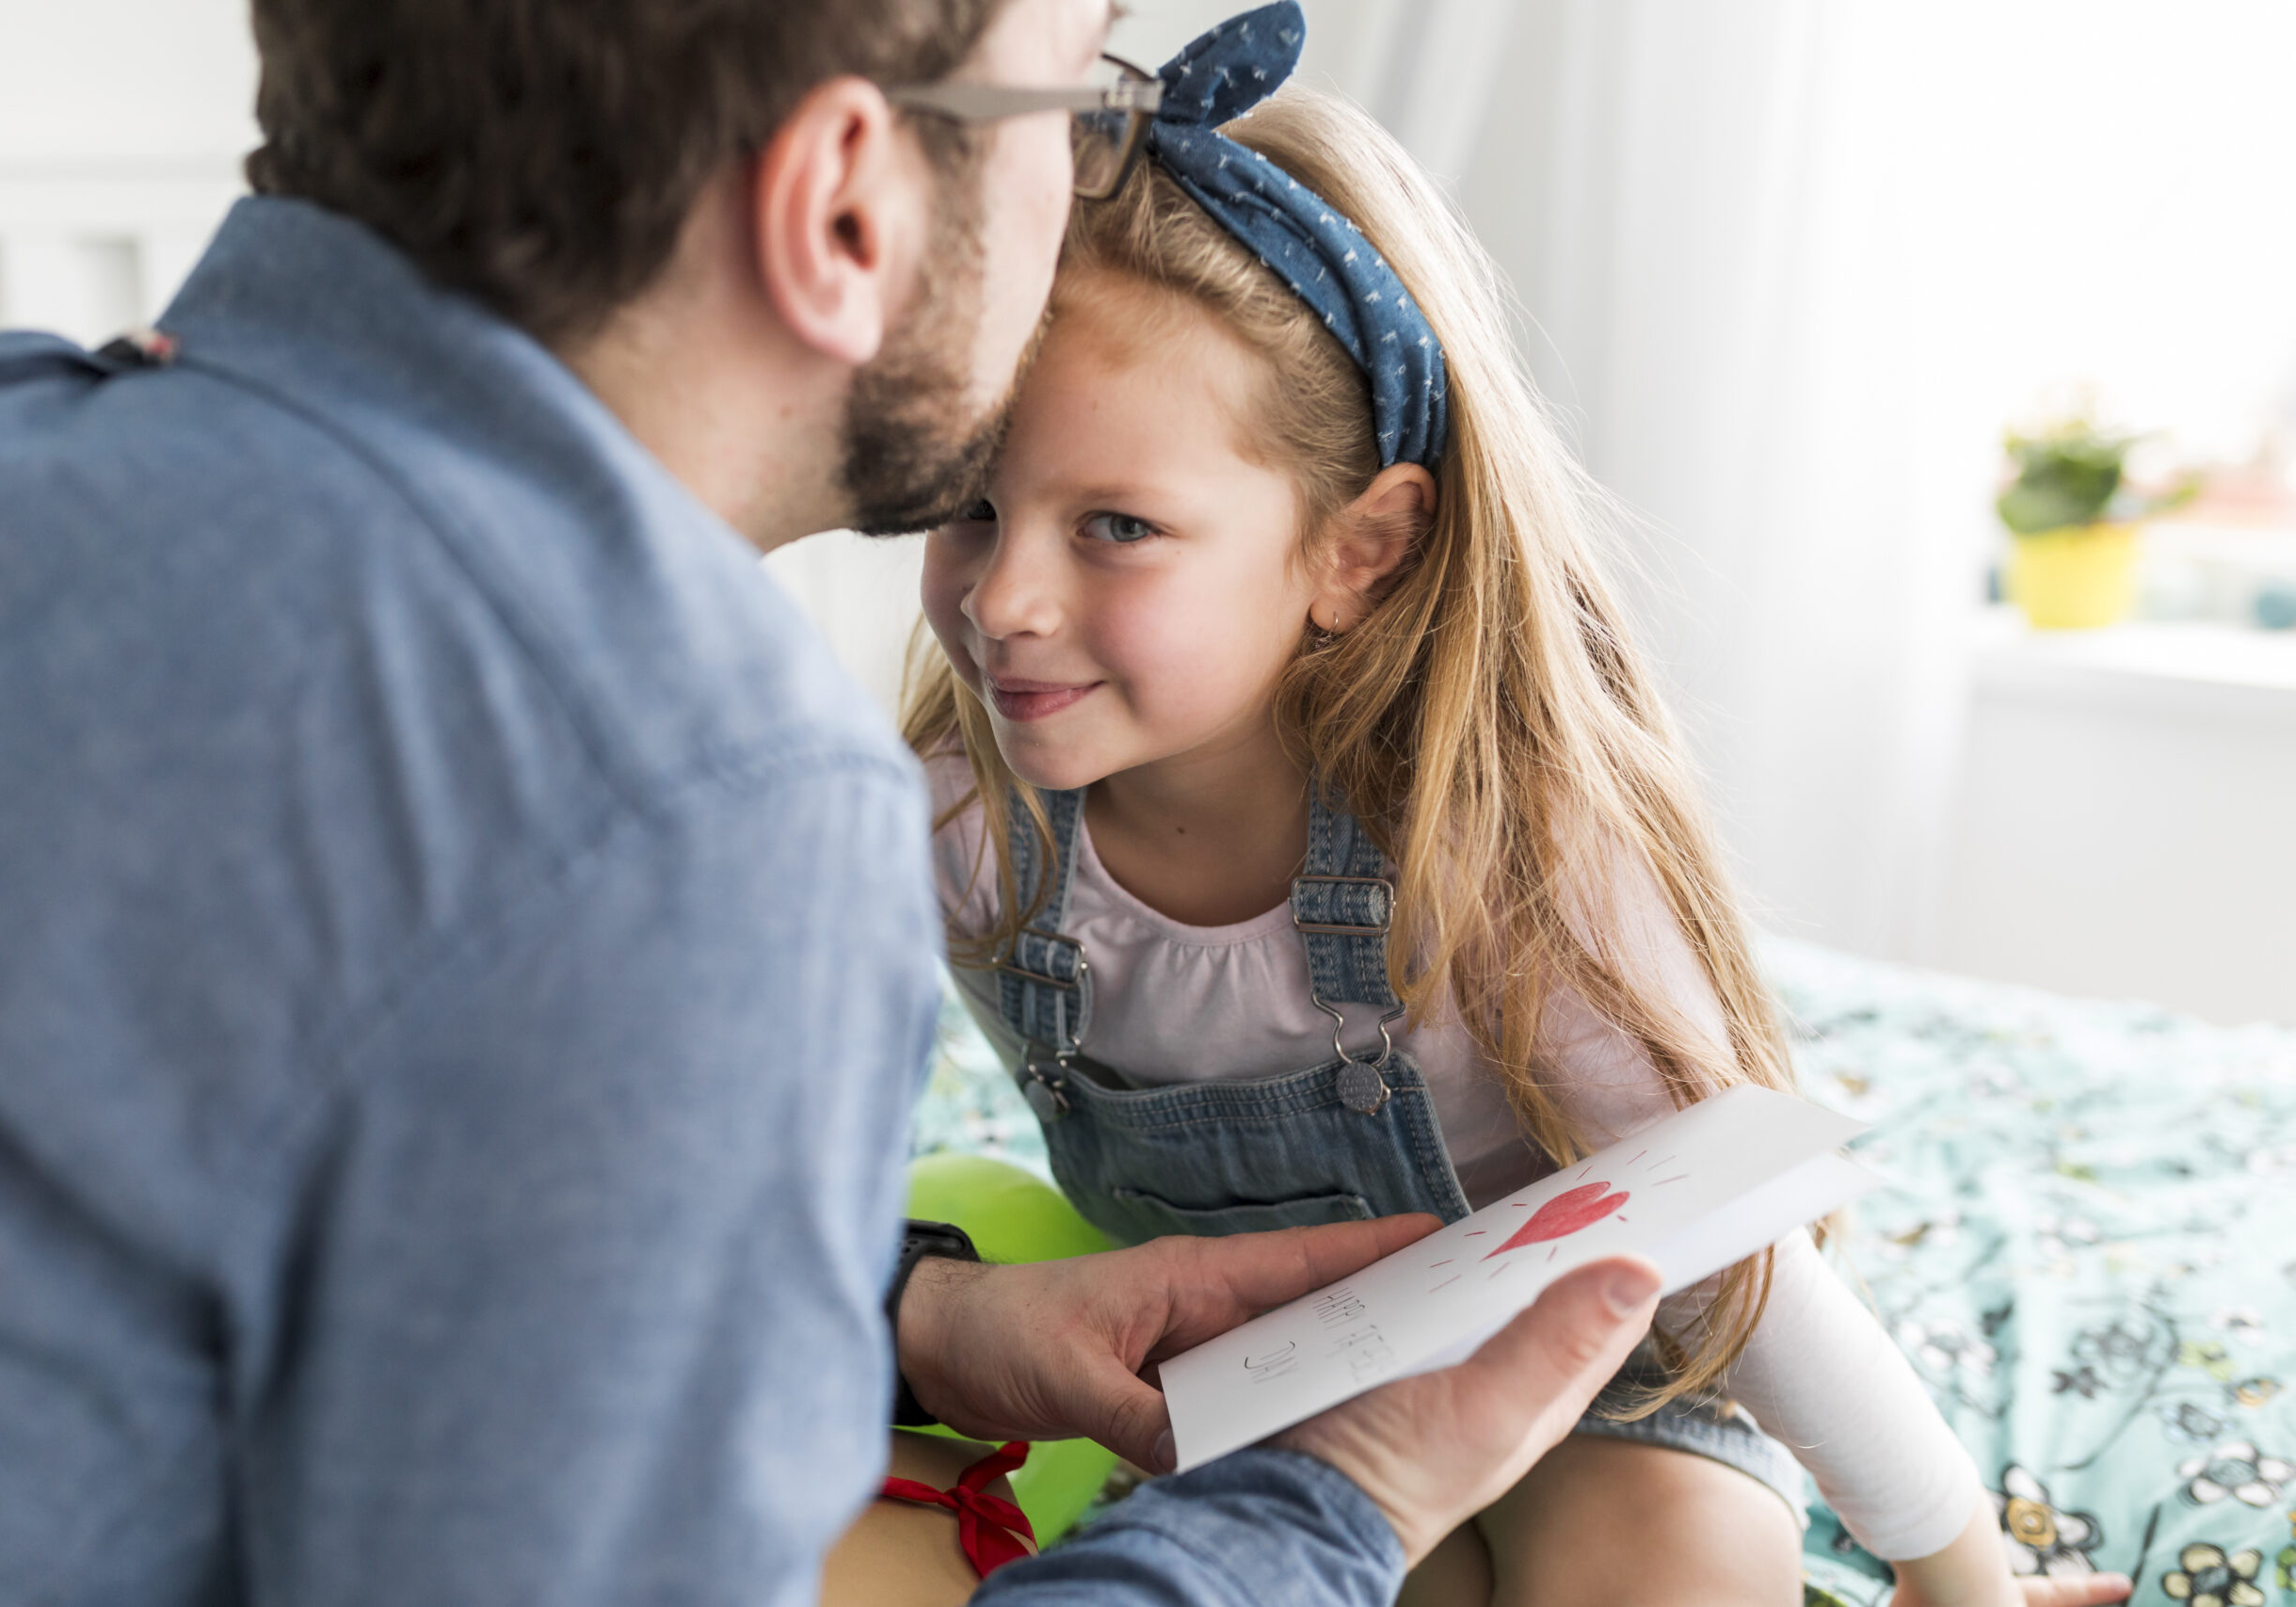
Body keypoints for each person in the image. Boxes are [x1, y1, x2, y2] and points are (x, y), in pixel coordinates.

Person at [0, 0, 1667, 1602]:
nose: (1094, 177)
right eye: (1077, 100)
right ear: (841, 205)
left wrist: (919, 1314)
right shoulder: (687, 791)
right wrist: (1330, 1496)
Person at [903, 10, 2134, 1606]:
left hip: (1613, 1368)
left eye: (1118, 526)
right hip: (1275, 1388)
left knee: (1661, 1575)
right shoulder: (955, 832)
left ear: (1358, 547)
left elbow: (1731, 1241)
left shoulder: (1496, 859)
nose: (1003, 598)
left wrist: (1956, 1569)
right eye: (967, 507)